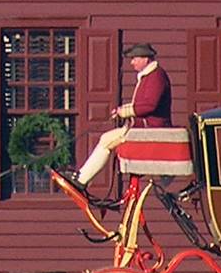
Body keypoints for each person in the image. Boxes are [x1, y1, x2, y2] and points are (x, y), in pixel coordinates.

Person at [74, 43, 173, 185]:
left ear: (145, 59)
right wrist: (122, 110)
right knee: (106, 138)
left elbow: (149, 105)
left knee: (106, 140)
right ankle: (82, 177)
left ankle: (82, 180)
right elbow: (141, 104)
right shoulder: (150, 75)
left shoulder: (156, 76)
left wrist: (124, 112)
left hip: (151, 128)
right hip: (145, 126)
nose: (132, 62)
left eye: (135, 59)